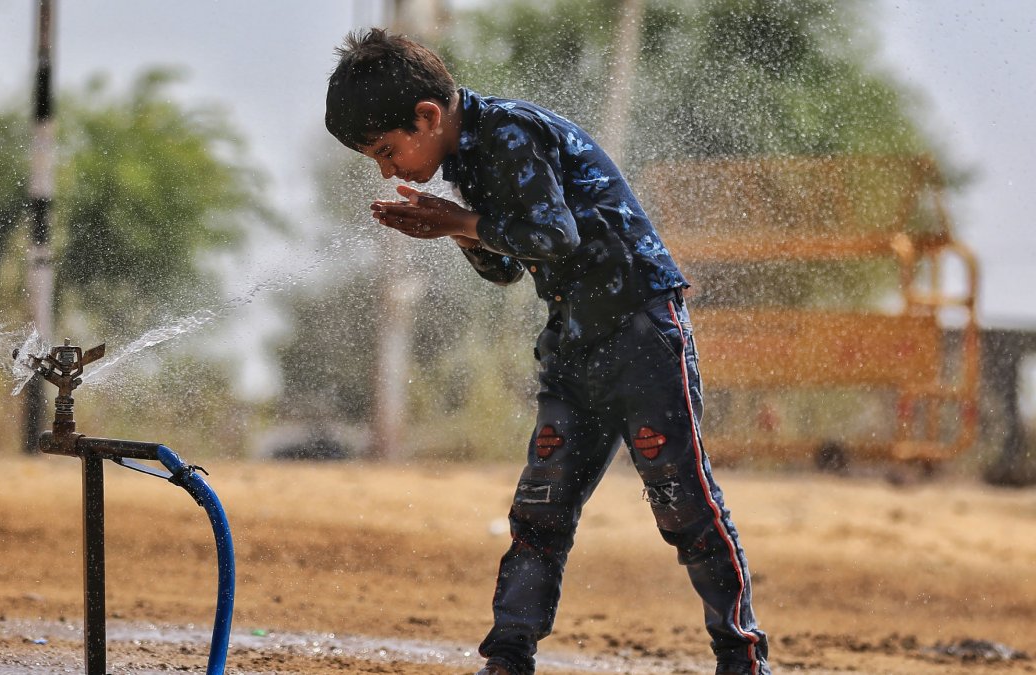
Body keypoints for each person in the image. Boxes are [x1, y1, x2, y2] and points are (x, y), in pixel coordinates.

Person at [324, 28, 771, 675]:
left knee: (683, 501)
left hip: (642, 328)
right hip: (574, 341)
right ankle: (508, 656)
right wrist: (458, 231)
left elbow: (554, 237)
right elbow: (509, 269)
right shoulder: (469, 159)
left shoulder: (507, 132)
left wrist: (460, 223)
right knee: (539, 510)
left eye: (387, 151)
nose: (388, 170)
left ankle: (743, 656)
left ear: (426, 116)